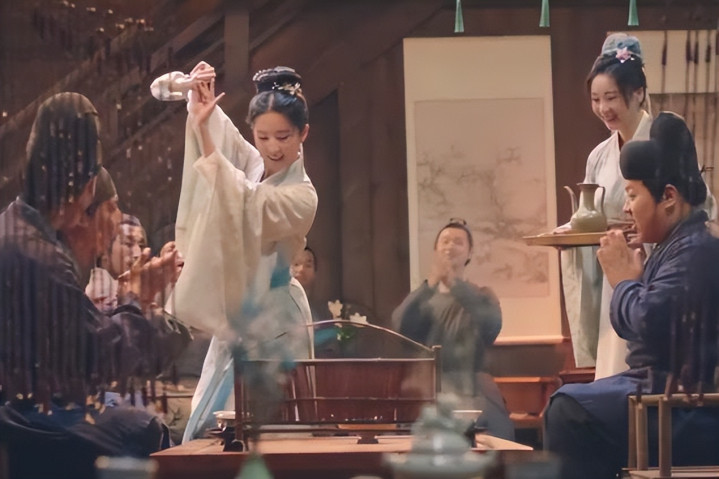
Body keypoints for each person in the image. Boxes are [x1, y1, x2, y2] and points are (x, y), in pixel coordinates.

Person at [0, 92, 190, 479]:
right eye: (111, 212)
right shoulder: (38, 255)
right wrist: (136, 303)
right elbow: (95, 360)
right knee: (143, 430)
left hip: (28, 412)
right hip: (24, 423)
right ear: (88, 188)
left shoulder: (18, 230)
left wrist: (134, 301)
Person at [544, 112, 719, 479]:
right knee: (570, 400)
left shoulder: (697, 249)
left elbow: (648, 324)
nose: (626, 208)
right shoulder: (680, 243)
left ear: (668, 197)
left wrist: (623, 281)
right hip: (661, 394)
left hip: (687, 407)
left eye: (633, 195)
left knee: (570, 412)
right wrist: (634, 280)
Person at [157, 63, 318, 441]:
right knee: (213, 427)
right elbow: (225, 139)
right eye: (263, 137)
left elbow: (246, 203)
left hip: (277, 320)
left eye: (284, 136)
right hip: (242, 313)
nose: (273, 147)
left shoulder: (302, 196)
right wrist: (201, 102)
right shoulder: (256, 164)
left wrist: (206, 137)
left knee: (270, 432)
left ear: (303, 133)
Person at [559, 33, 716, 379]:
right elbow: (589, 214)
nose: (603, 108)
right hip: (618, 269)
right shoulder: (599, 156)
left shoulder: (664, 137)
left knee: (645, 365)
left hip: (662, 272)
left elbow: (698, 201)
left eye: (611, 97)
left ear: (638, 93)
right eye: (596, 99)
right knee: (614, 364)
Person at [391, 219, 514, 440]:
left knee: (494, 438)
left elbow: (491, 326)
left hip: (473, 388)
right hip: (428, 388)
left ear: (469, 253)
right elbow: (400, 327)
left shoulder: (482, 295)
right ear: (436, 250)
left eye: (458, 242)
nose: (450, 246)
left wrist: (456, 285)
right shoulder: (423, 298)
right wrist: (430, 285)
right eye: (445, 241)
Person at [291, 246, 332, 321]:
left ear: (315, 273)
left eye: (308, 265)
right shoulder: (279, 307)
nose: (301, 269)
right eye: (296, 264)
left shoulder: (323, 312)